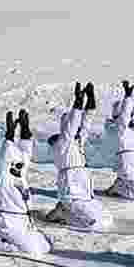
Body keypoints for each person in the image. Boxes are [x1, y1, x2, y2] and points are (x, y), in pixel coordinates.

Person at [43, 83, 113, 231]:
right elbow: (72, 126)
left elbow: (85, 125)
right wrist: (78, 102)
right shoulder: (63, 143)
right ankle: (64, 212)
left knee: (100, 213)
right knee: (88, 219)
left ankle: (63, 209)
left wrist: (91, 100)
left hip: (82, 181)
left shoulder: (75, 141)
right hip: (72, 184)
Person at [0, 109, 52, 256]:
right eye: (14, 165)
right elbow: (5, 158)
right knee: (32, 251)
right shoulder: (2, 180)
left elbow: (25, 155)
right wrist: (9, 136)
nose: (18, 167)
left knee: (45, 246)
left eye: (19, 165)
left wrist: (25, 129)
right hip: (8, 224)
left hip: (24, 222)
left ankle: (8, 239)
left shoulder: (19, 175)